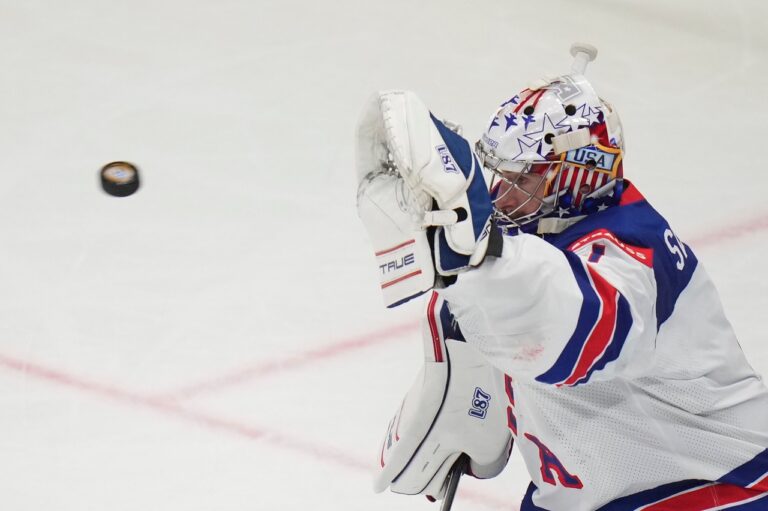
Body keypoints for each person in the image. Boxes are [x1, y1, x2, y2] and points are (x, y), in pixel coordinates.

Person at [355, 44, 768, 511]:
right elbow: (497, 347)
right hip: (600, 496)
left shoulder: (633, 250)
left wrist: (478, 257)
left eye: (522, 181)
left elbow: (576, 331)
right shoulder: (525, 255)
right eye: (500, 176)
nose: (501, 198)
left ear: (575, 178)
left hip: (724, 490)